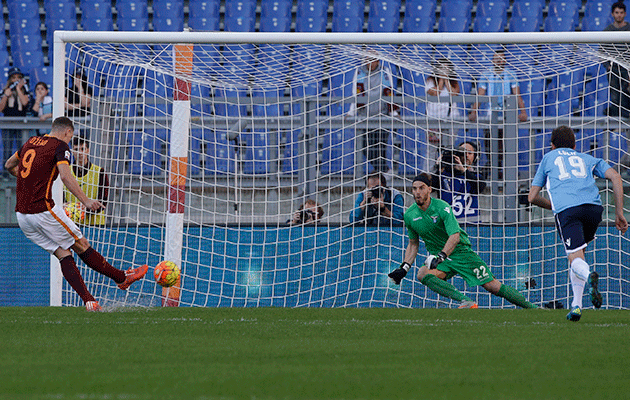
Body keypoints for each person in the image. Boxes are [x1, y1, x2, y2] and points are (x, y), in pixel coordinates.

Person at [4, 116, 148, 312]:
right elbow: (65, 175)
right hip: (43, 211)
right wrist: (85, 201)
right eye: (71, 138)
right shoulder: (60, 146)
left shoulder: (31, 141)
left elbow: (9, 165)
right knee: (82, 244)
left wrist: (26, 179)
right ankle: (122, 278)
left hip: (23, 217)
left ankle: (89, 301)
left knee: (64, 253)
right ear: (68, 132)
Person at [388, 173, 537, 309]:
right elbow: (413, 243)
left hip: (460, 252)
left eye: (421, 188)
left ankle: (533, 308)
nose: (417, 192)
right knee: (423, 273)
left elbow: (455, 236)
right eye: (414, 189)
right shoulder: (409, 215)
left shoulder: (442, 207)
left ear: (429, 189)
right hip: (441, 259)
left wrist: (440, 256)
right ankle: (466, 301)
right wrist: (404, 268)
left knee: (492, 285)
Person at [528, 126, 628, 321]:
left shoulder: (549, 158)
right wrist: (619, 213)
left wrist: (554, 205)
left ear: (552, 145)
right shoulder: (586, 158)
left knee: (576, 259)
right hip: (594, 209)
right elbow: (616, 177)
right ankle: (576, 306)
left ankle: (589, 275)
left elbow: (532, 196)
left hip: (568, 210)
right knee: (578, 256)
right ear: (575, 145)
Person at [347, 55, 398, 173]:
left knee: (380, 148)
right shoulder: (359, 72)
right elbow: (356, 93)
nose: (370, 63)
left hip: (382, 117)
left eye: (372, 60)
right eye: (367, 60)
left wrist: (393, 112)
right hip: (365, 117)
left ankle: (382, 175)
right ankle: (385, 171)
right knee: (366, 147)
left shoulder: (385, 72)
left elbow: (389, 91)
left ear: (378, 61)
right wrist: (351, 112)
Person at [432, 141, 487, 222]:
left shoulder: (476, 176)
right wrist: (439, 168)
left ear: (475, 157)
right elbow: (430, 187)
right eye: (462, 152)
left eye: (469, 153)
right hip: (448, 225)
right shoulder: (443, 175)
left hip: (472, 225)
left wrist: (463, 171)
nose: (466, 155)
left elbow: (480, 187)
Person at [468, 50, 527, 123]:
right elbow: (481, 95)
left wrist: (523, 112)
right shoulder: (486, 74)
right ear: (492, 61)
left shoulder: (511, 74)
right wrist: (474, 112)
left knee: (506, 130)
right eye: (496, 58)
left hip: (506, 109)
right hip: (490, 109)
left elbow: (517, 95)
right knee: (490, 131)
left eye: (501, 58)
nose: (499, 61)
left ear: (505, 61)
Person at [64, 137, 109, 226]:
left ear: (87, 150)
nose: (80, 152)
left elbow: (102, 203)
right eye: (76, 149)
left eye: (83, 149)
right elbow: (62, 202)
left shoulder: (100, 172)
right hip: (72, 225)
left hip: (95, 225)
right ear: (72, 151)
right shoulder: (65, 173)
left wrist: (80, 210)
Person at [1, 67, 32, 172]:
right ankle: (5, 174)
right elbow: (1, 109)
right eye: (13, 77)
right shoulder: (5, 91)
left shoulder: (25, 90)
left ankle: (23, 172)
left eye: (18, 77)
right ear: (10, 79)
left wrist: (19, 89)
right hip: (8, 123)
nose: (16, 79)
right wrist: (5, 95)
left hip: (21, 123)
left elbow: (25, 103)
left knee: (22, 149)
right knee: (7, 149)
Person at [603, 1, 630, 118]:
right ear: (612, 14)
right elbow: (602, 51)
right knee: (615, 96)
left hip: (627, 68)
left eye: (621, 12)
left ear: (625, 14)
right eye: (616, 12)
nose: (619, 15)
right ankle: (617, 122)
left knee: (627, 94)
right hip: (614, 69)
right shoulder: (607, 31)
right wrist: (607, 65)